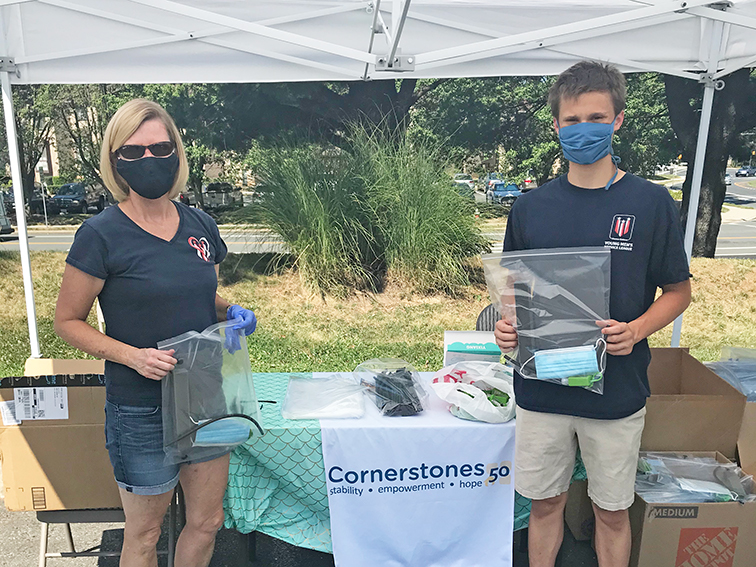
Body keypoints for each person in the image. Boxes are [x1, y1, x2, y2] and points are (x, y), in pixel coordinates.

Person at [494, 61, 691, 567]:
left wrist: (637, 330)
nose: (584, 130)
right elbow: (511, 288)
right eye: (573, 120)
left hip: (618, 389)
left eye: (597, 118)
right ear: (556, 125)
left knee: (611, 513)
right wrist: (506, 325)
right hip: (543, 390)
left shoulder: (650, 202)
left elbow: (678, 292)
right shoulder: (530, 207)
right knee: (546, 504)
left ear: (618, 120)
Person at [54, 99, 257, 567]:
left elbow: (197, 293)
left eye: (160, 148)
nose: (150, 160)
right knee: (144, 534)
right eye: (134, 152)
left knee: (207, 522)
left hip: (206, 396)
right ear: (115, 161)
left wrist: (233, 311)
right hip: (140, 406)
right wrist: (132, 356)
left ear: (177, 152)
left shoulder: (200, 225)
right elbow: (67, 322)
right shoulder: (100, 234)